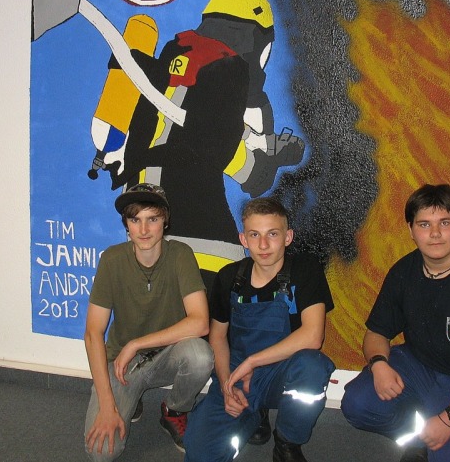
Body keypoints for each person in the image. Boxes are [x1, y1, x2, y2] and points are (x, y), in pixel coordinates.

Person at [341, 184, 450, 462]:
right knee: (358, 403)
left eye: (444, 223)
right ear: (411, 230)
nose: (435, 233)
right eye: (424, 224)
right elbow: (376, 333)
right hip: (416, 364)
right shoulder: (403, 272)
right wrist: (379, 365)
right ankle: (417, 438)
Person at [183, 197, 335, 462]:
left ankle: (287, 442)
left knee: (313, 367)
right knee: (199, 454)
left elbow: (313, 336)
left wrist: (253, 362)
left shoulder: (305, 269)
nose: (263, 245)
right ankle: (253, 415)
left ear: (288, 237)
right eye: (254, 235)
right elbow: (217, 337)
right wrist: (227, 384)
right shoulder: (229, 277)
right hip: (237, 373)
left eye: (272, 234)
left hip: (282, 372)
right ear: (243, 239)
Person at [83, 183, 214, 462]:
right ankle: (131, 397)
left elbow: (201, 322)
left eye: (152, 219)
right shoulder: (112, 259)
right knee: (101, 453)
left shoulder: (180, 254)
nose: (143, 230)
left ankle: (174, 410)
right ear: (126, 224)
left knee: (200, 356)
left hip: (168, 355)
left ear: (165, 221)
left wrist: (136, 343)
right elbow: (93, 333)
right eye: (135, 220)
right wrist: (107, 405)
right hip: (123, 366)